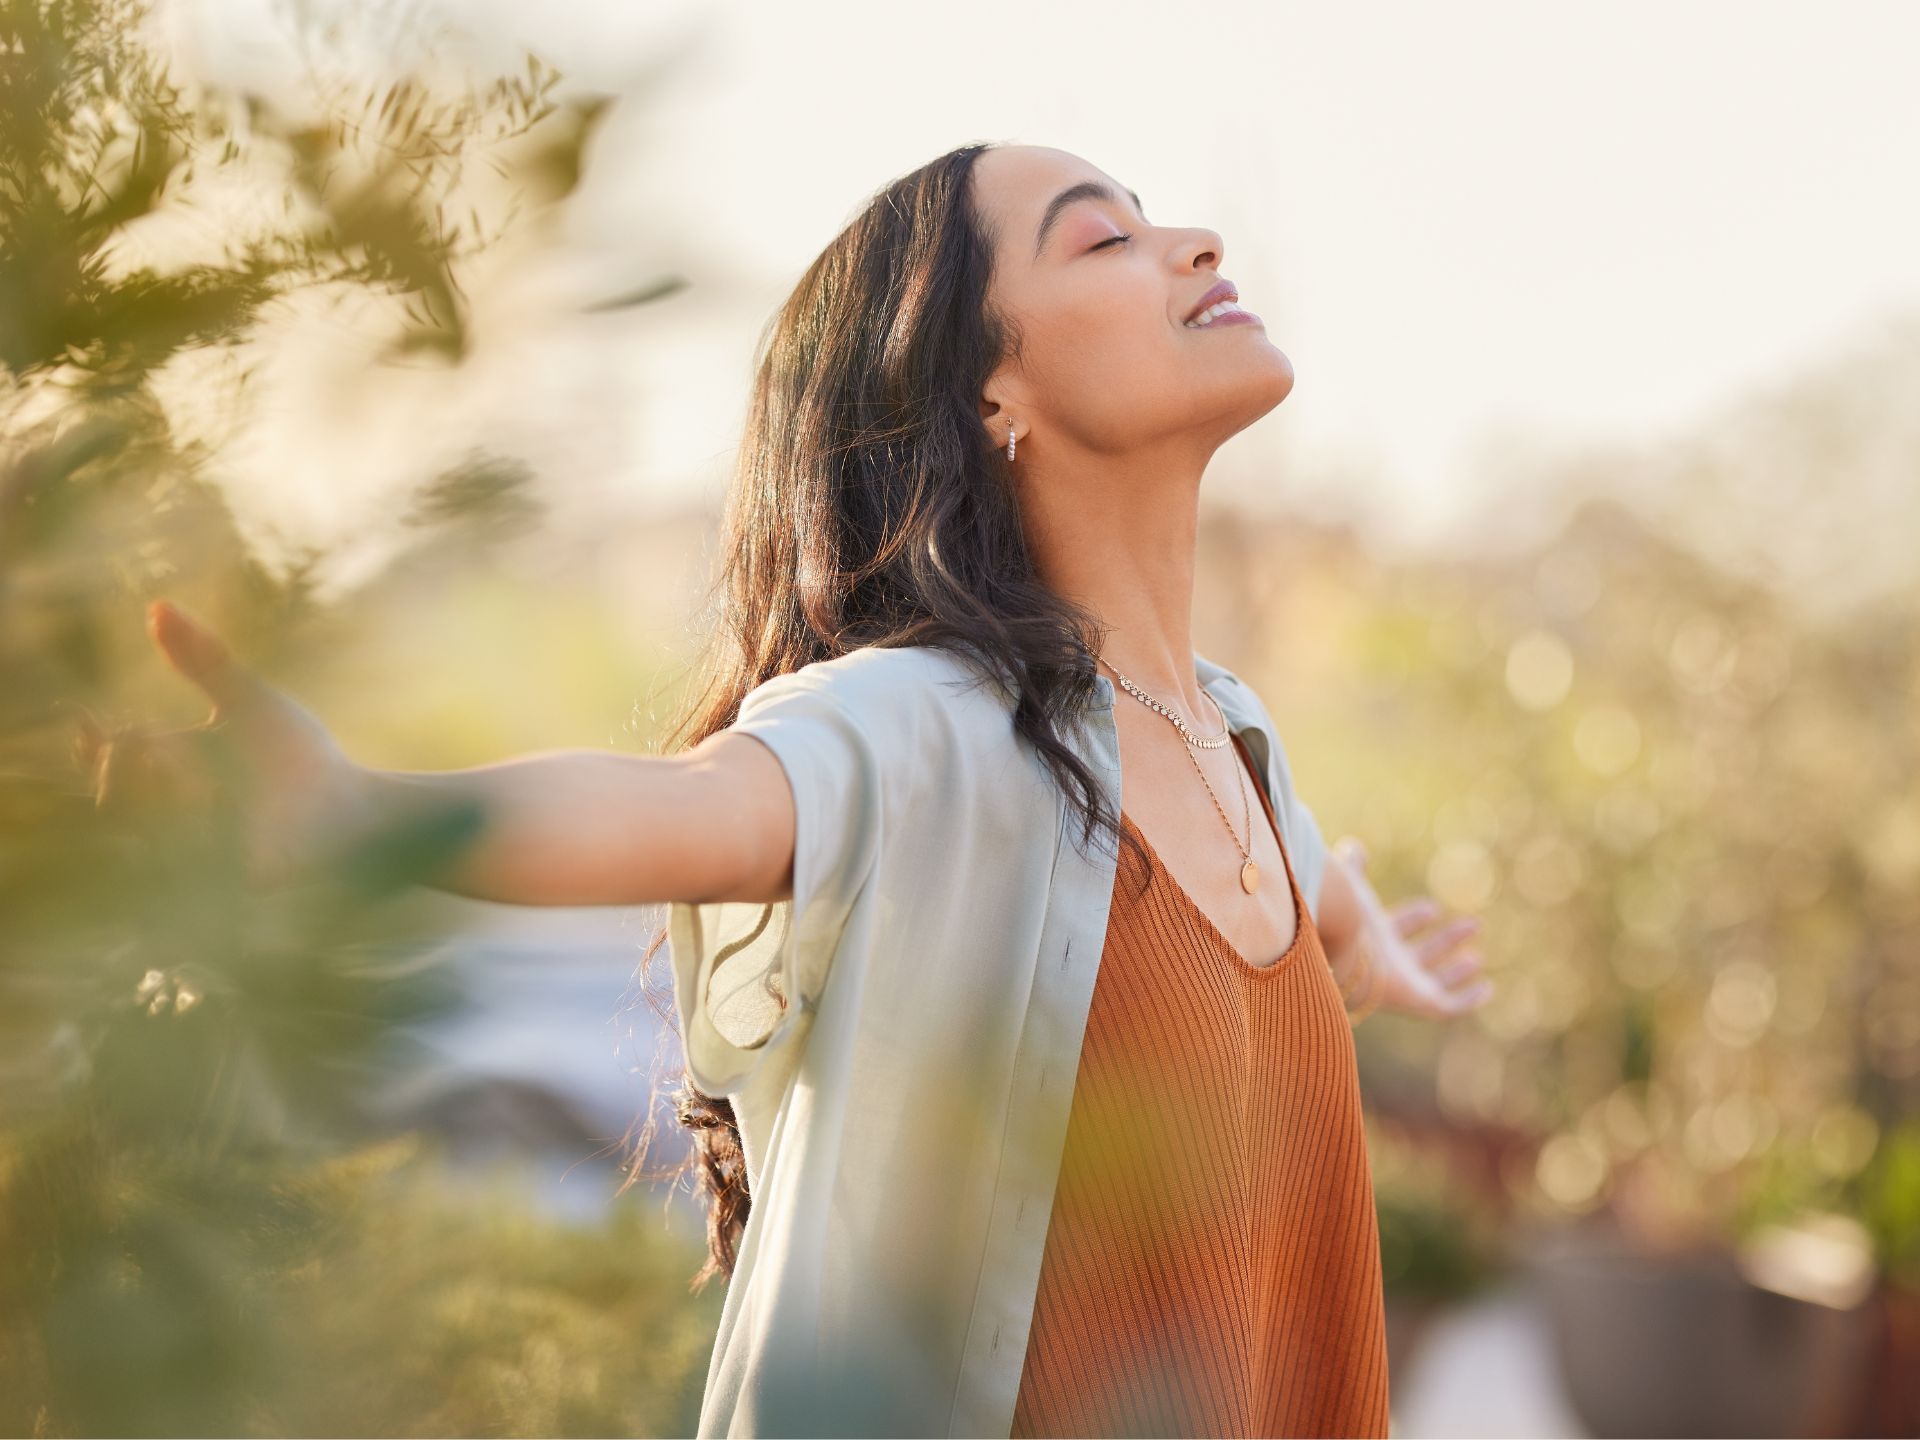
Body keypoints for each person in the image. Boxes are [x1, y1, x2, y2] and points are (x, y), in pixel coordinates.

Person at [98, 141, 1493, 1438]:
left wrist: (1352, 936)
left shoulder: (1235, 743)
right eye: (1106, 240)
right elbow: (689, 807)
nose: (1193, 243)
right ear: (989, 390)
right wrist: (358, 819)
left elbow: (1285, 886)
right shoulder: (932, 726)